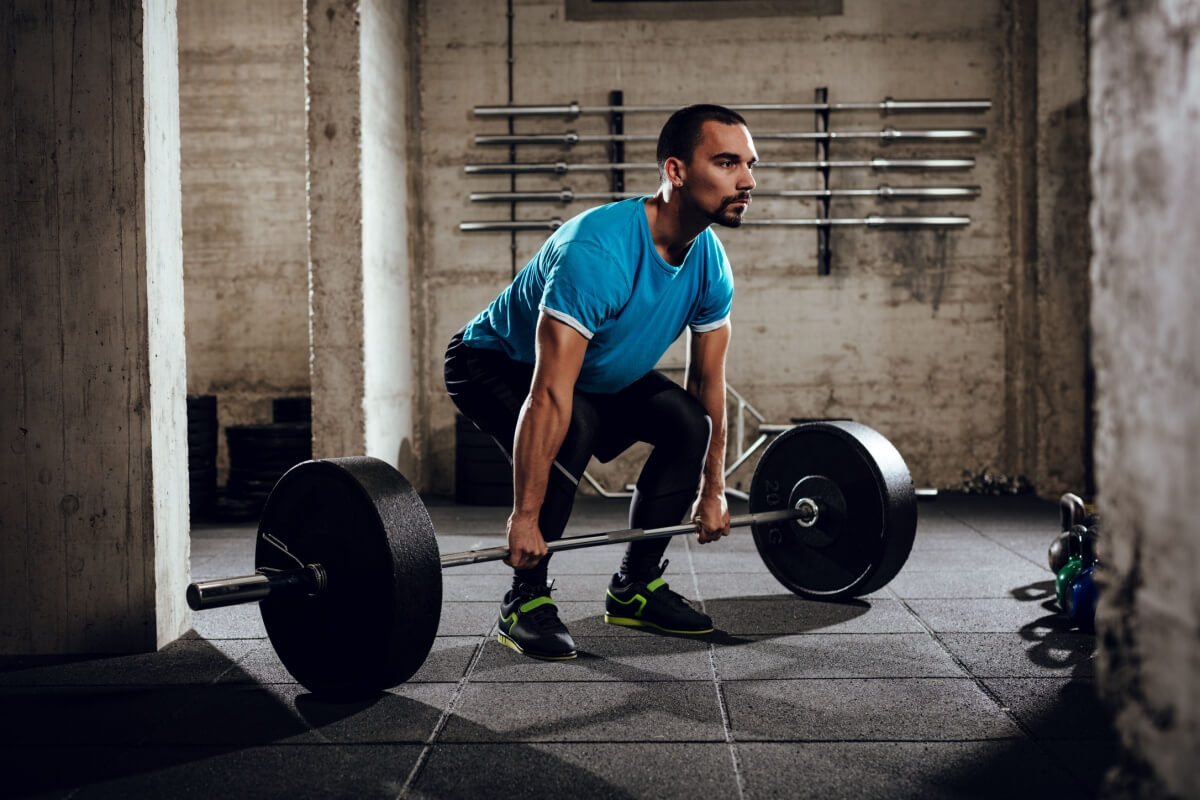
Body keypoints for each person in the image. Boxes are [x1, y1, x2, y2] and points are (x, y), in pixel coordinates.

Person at [444, 104, 757, 660]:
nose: (747, 180)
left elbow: (709, 384)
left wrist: (712, 491)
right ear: (676, 171)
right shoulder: (597, 251)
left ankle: (635, 589)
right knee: (575, 422)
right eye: (728, 162)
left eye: (750, 164)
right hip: (492, 363)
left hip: (595, 371)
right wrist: (524, 519)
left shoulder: (710, 262)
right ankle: (525, 597)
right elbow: (548, 395)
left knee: (690, 422)